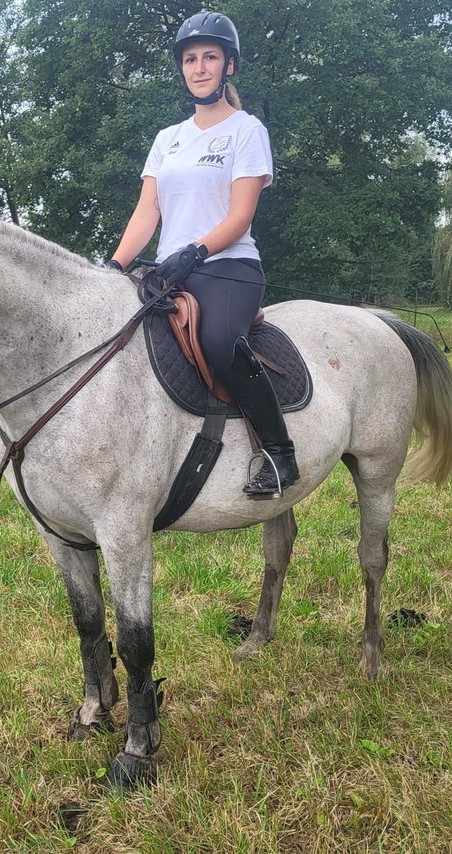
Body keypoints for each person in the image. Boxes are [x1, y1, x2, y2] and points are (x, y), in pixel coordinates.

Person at [107, 10, 297, 499]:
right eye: (190, 59)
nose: (199, 67)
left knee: (217, 341)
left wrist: (194, 252)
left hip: (228, 266)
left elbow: (240, 217)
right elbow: (146, 213)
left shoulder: (246, 130)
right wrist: (113, 268)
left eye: (209, 57)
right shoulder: (166, 140)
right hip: (169, 270)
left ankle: (279, 454)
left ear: (228, 66)